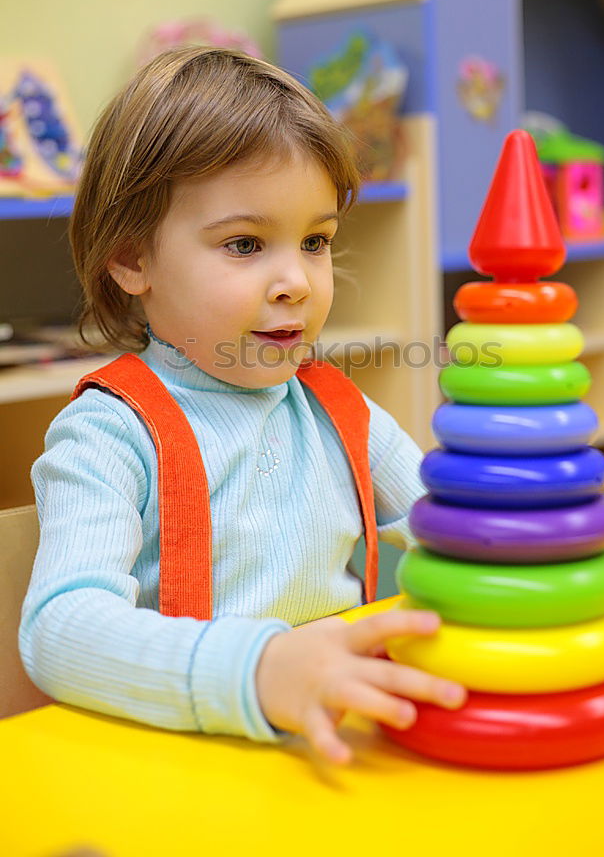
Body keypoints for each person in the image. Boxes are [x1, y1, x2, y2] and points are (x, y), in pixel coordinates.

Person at [20, 47, 466, 765]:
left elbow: (455, 533)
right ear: (132, 259)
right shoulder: (109, 430)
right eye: (244, 243)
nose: (296, 280)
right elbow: (60, 630)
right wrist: (257, 673)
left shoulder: (340, 410)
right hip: (190, 762)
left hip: (331, 750)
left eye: (315, 241)